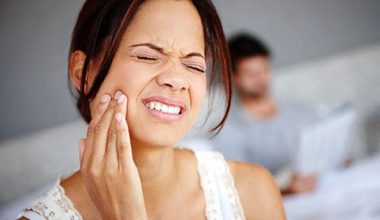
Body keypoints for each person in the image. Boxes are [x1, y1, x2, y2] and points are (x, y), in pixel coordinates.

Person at [17, 1, 285, 219]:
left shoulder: (252, 190)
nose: (177, 80)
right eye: (147, 56)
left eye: (194, 65)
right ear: (82, 73)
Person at [208, 33, 320, 194]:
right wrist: (287, 191)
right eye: (251, 74)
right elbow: (241, 187)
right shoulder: (229, 130)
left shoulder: (299, 110)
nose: (261, 79)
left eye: (264, 69)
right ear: (233, 78)